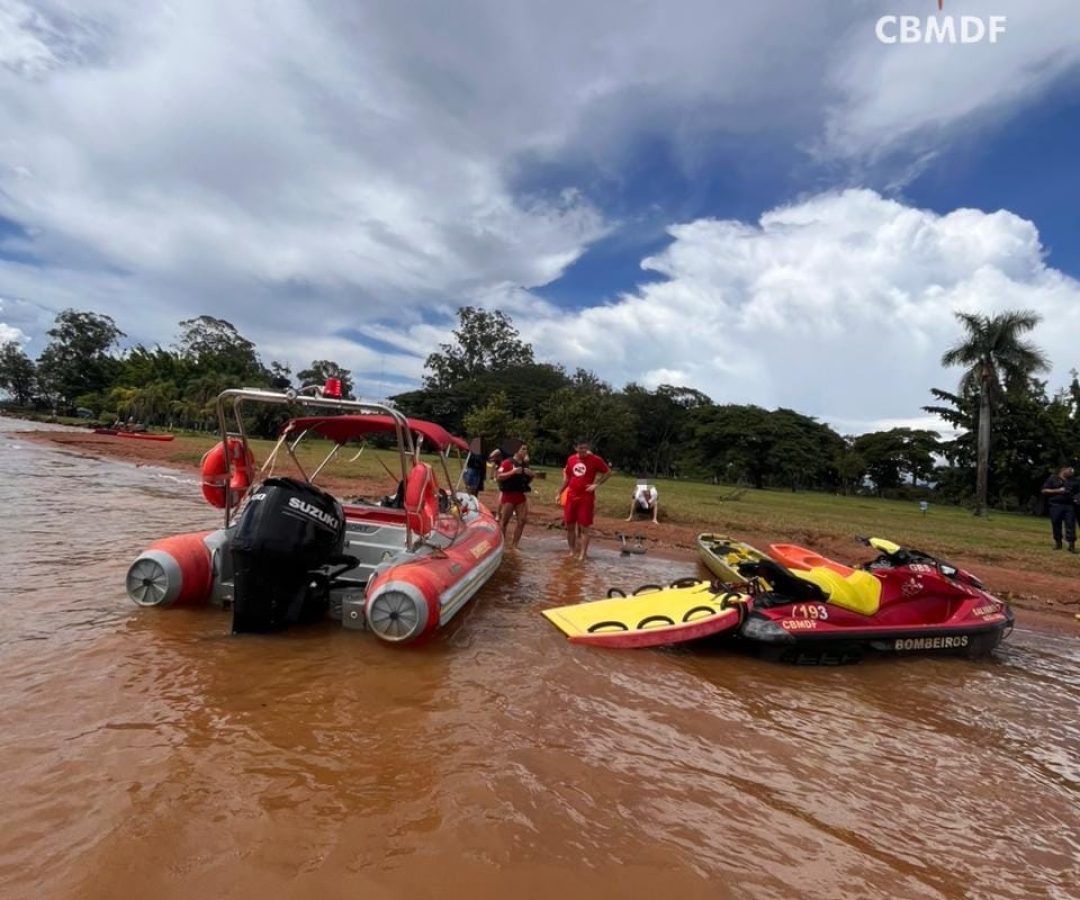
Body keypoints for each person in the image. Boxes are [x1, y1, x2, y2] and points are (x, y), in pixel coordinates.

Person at [558, 438, 611, 560]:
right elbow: (568, 477)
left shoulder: (595, 459)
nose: (583, 450)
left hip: (586, 497)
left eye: (585, 448)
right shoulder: (571, 459)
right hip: (571, 496)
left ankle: (583, 554)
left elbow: (608, 472)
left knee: (584, 527)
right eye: (581, 448)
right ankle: (571, 551)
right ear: (575, 448)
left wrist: (596, 484)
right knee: (570, 525)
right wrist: (560, 492)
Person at [496, 443, 534, 549]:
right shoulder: (507, 463)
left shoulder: (525, 465)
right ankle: (502, 544)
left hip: (520, 496)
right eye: (523, 449)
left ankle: (515, 545)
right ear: (516, 451)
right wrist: (512, 472)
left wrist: (531, 476)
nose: (525, 451)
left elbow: (527, 481)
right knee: (504, 521)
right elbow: (499, 476)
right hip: (509, 496)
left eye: (526, 449)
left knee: (522, 521)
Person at [1041, 465, 1078, 552]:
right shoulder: (1053, 479)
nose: (1071, 472)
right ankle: (1058, 543)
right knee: (1056, 523)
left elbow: (1077, 492)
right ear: (1063, 470)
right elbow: (1044, 490)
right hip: (1056, 505)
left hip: (1069, 505)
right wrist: (1058, 490)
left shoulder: (1073, 481)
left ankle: (1071, 545)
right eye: (1069, 470)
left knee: (1071, 524)